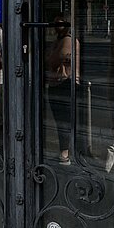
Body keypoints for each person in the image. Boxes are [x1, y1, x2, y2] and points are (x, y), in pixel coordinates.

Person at [45, 16, 80, 165]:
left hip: (63, 83)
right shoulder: (59, 41)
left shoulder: (67, 41)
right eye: (55, 24)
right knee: (62, 121)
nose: (56, 27)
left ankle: (66, 152)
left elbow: (53, 60)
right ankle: (65, 151)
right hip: (58, 83)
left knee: (64, 121)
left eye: (60, 24)